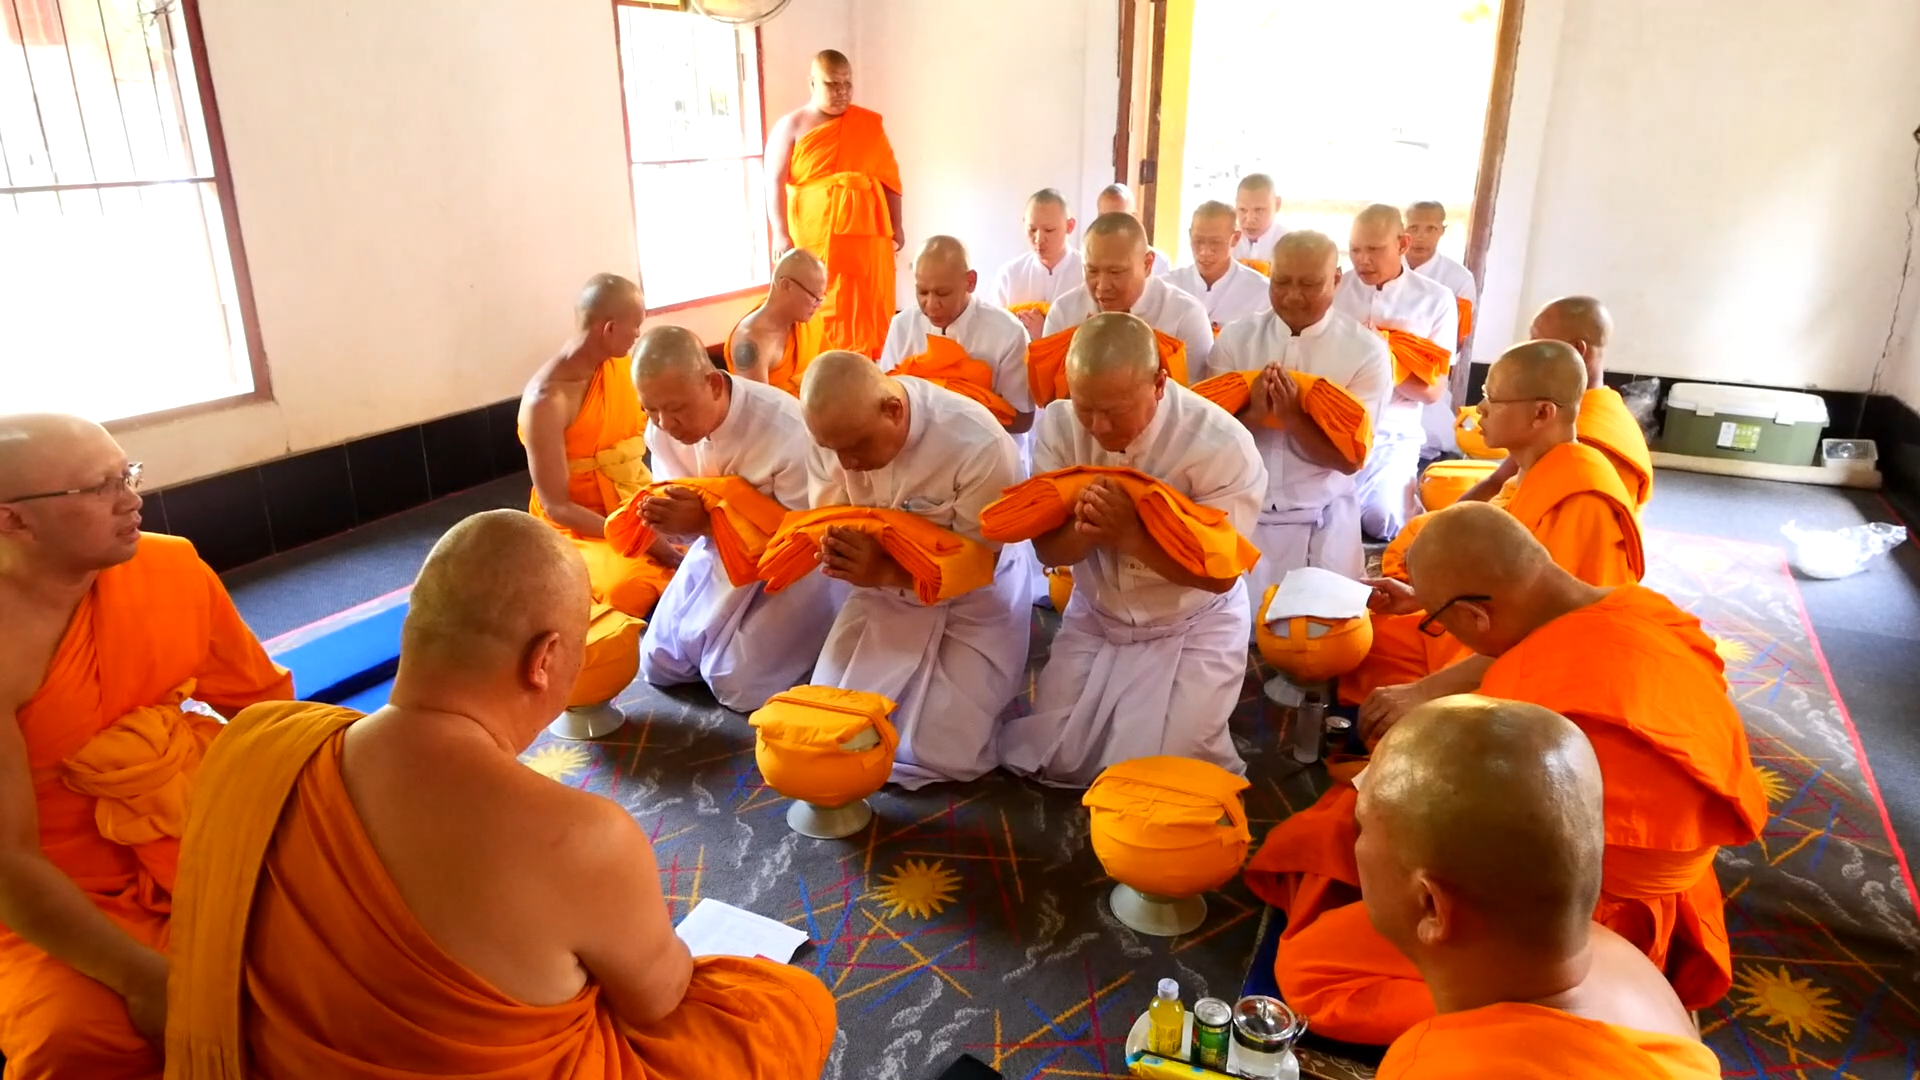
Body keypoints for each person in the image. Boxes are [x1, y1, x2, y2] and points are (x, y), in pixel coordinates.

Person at [166, 511, 837, 1078]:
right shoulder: (578, 836)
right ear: (544, 660)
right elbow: (660, 999)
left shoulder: (259, 743)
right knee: (783, 1004)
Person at [1244, 504, 1765, 1046]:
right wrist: (1426, 609)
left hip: (1572, 906)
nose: (1443, 633)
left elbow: (1486, 824)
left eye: (1444, 622)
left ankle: (1539, 1019)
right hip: (1650, 864)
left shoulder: (1543, 706)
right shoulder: (1642, 610)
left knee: (1312, 966)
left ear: (1476, 615)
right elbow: (1527, 634)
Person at [0, 414, 292, 1079]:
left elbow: (265, 710)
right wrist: (144, 980)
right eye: (99, 487)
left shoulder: (171, 565)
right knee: (70, 1039)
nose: (132, 498)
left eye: (127, 474)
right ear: (13, 521)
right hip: (64, 887)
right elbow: (11, 866)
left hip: (202, 823)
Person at [1357, 696, 1723, 1079]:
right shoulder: (1626, 961)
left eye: (1362, 826)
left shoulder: (1443, 1067)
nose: (1356, 840)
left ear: (1431, 906)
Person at [999, 314, 1266, 786]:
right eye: (1087, 408)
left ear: (1160, 383)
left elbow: (1219, 576)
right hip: (1098, 617)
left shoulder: (1219, 443)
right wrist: (1090, 528)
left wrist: (1133, 536)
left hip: (1193, 624)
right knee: (1060, 758)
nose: (1098, 428)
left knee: (1165, 779)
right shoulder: (1061, 424)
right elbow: (1046, 550)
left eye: (1115, 412)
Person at [1341, 340, 1643, 708]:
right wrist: (1426, 600)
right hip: (1489, 630)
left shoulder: (1582, 500)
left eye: (1493, 399)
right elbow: (1511, 580)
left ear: (1541, 414)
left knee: (1406, 719)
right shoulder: (1537, 469)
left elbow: (1552, 633)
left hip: (1531, 667)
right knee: (1368, 636)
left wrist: (1426, 691)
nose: (1480, 409)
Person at [798, 352, 1030, 789]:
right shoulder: (832, 432)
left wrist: (888, 570)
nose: (845, 464)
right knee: (833, 723)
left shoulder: (976, 442)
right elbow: (828, 516)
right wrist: (850, 556)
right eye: (833, 451)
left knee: (942, 751)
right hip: (877, 592)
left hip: (973, 599)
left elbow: (981, 562)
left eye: (856, 448)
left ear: (893, 411)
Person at [625, 327, 836, 713]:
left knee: (736, 682)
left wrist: (708, 522)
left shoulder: (785, 428)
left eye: (675, 409)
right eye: (649, 409)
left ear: (713, 384)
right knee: (658, 661)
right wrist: (676, 520)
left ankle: (827, 638)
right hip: (717, 552)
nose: (664, 423)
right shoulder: (661, 428)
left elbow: (806, 534)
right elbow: (677, 501)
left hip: (795, 570)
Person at [1205, 231, 1393, 595]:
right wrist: (1256, 416)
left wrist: (1294, 418)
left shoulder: (1365, 352)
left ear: (1336, 279)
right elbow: (1211, 441)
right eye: (1282, 282)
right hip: (1247, 511)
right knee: (1236, 634)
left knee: (1320, 641)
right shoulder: (1236, 339)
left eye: (1309, 284)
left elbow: (1349, 461)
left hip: (1322, 513)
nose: (1293, 296)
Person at [519, 273, 678, 618]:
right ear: (608, 329)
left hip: (633, 500)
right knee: (630, 589)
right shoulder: (546, 401)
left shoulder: (619, 368)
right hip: (582, 524)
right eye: (635, 328)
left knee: (715, 521)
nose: (637, 337)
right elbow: (557, 506)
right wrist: (641, 538)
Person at [766, 49, 903, 358]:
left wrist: (898, 224)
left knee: (869, 303)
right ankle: (823, 369)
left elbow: (890, 179)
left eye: (847, 84)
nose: (842, 92)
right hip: (816, 238)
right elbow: (773, 180)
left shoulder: (868, 125)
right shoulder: (792, 125)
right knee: (819, 299)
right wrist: (780, 232)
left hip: (867, 240)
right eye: (832, 84)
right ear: (812, 83)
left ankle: (873, 365)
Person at [1457, 297, 1652, 509]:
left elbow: (1523, 527)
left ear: (1577, 349)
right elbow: (1498, 482)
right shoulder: (1587, 407)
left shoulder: (1582, 439)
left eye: (1537, 341)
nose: (1527, 349)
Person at [1336, 205, 1458, 541]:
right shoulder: (1335, 289)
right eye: (1356, 249)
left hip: (1394, 432)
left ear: (1402, 244)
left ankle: (1409, 509)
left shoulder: (1436, 300)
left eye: (1374, 249)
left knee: (1382, 520)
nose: (1363, 260)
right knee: (1322, 512)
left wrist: (1381, 354)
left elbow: (1432, 392)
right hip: (1335, 428)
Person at [879, 236, 1034, 433]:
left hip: (987, 451)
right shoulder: (903, 325)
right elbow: (884, 400)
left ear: (970, 282)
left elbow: (1022, 419)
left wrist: (950, 407)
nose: (931, 304)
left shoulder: (1008, 332)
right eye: (922, 292)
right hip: (916, 451)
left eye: (942, 293)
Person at [1042, 212, 1215, 384]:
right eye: (1092, 271)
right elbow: (1052, 402)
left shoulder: (1185, 316)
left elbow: (1193, 401)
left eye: (1115, 272)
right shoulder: (1064, 313)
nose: (1102, 286)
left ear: (1147, 264)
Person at [1404, 201, 1479, 456]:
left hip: (1429, 372)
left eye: (1431, 228)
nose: (1420, 236)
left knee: (1429, 445)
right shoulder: (1386, 269)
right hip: (1381, 369)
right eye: (1413, 227)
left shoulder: (1458, 279)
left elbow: (1458, 338)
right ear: (1402, 230)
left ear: (1442, 231)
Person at [724, 248, 829, 395]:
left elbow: (828, 366)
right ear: (786, 285)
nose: (819, 305)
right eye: (814, 297)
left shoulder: (810, 319)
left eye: (821, 297)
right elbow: (761, 408)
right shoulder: (751, 341)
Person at [985, 188, 1084, 339]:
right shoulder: (1009, 276)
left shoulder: (1087, 274)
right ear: (1024, 223)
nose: (1039, 239)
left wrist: (1047, 332)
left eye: (1049, 230)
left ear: (1069, 226)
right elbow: (994, 333)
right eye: (1032, 229)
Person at [1166, 201, 1272, 333]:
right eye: (1198, 241)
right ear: (1189, 235)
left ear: (1235, 239)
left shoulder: (1262, 293)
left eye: (1215, 242)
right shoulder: (1167, 287)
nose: (1204, 251)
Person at [1094, 183, 1172, 278]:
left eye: (1119, 218)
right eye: (1104, 218)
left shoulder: (1159, 264)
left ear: (1135, 218)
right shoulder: (1089, 261)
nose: (1111, 226)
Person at [1231, 173, 1287, 271]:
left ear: (1277, 204)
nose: (1249, 219)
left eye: (1259, 210)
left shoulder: (1288, 243)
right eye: (1242, 210)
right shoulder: (1227, 241)